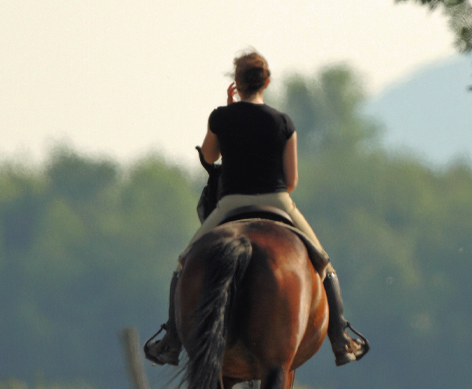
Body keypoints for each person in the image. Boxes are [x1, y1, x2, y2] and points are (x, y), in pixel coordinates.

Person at [144, 51, 369, 367]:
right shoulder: (283, 123)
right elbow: (290, 181)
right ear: (268, 82)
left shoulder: (221, 118)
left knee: (184, 263)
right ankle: (340, 339)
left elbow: (208, 158)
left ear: (236, 83)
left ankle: (171, 340)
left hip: (230, 203)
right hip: (277, 201)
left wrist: (228, 116)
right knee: (324, 263)